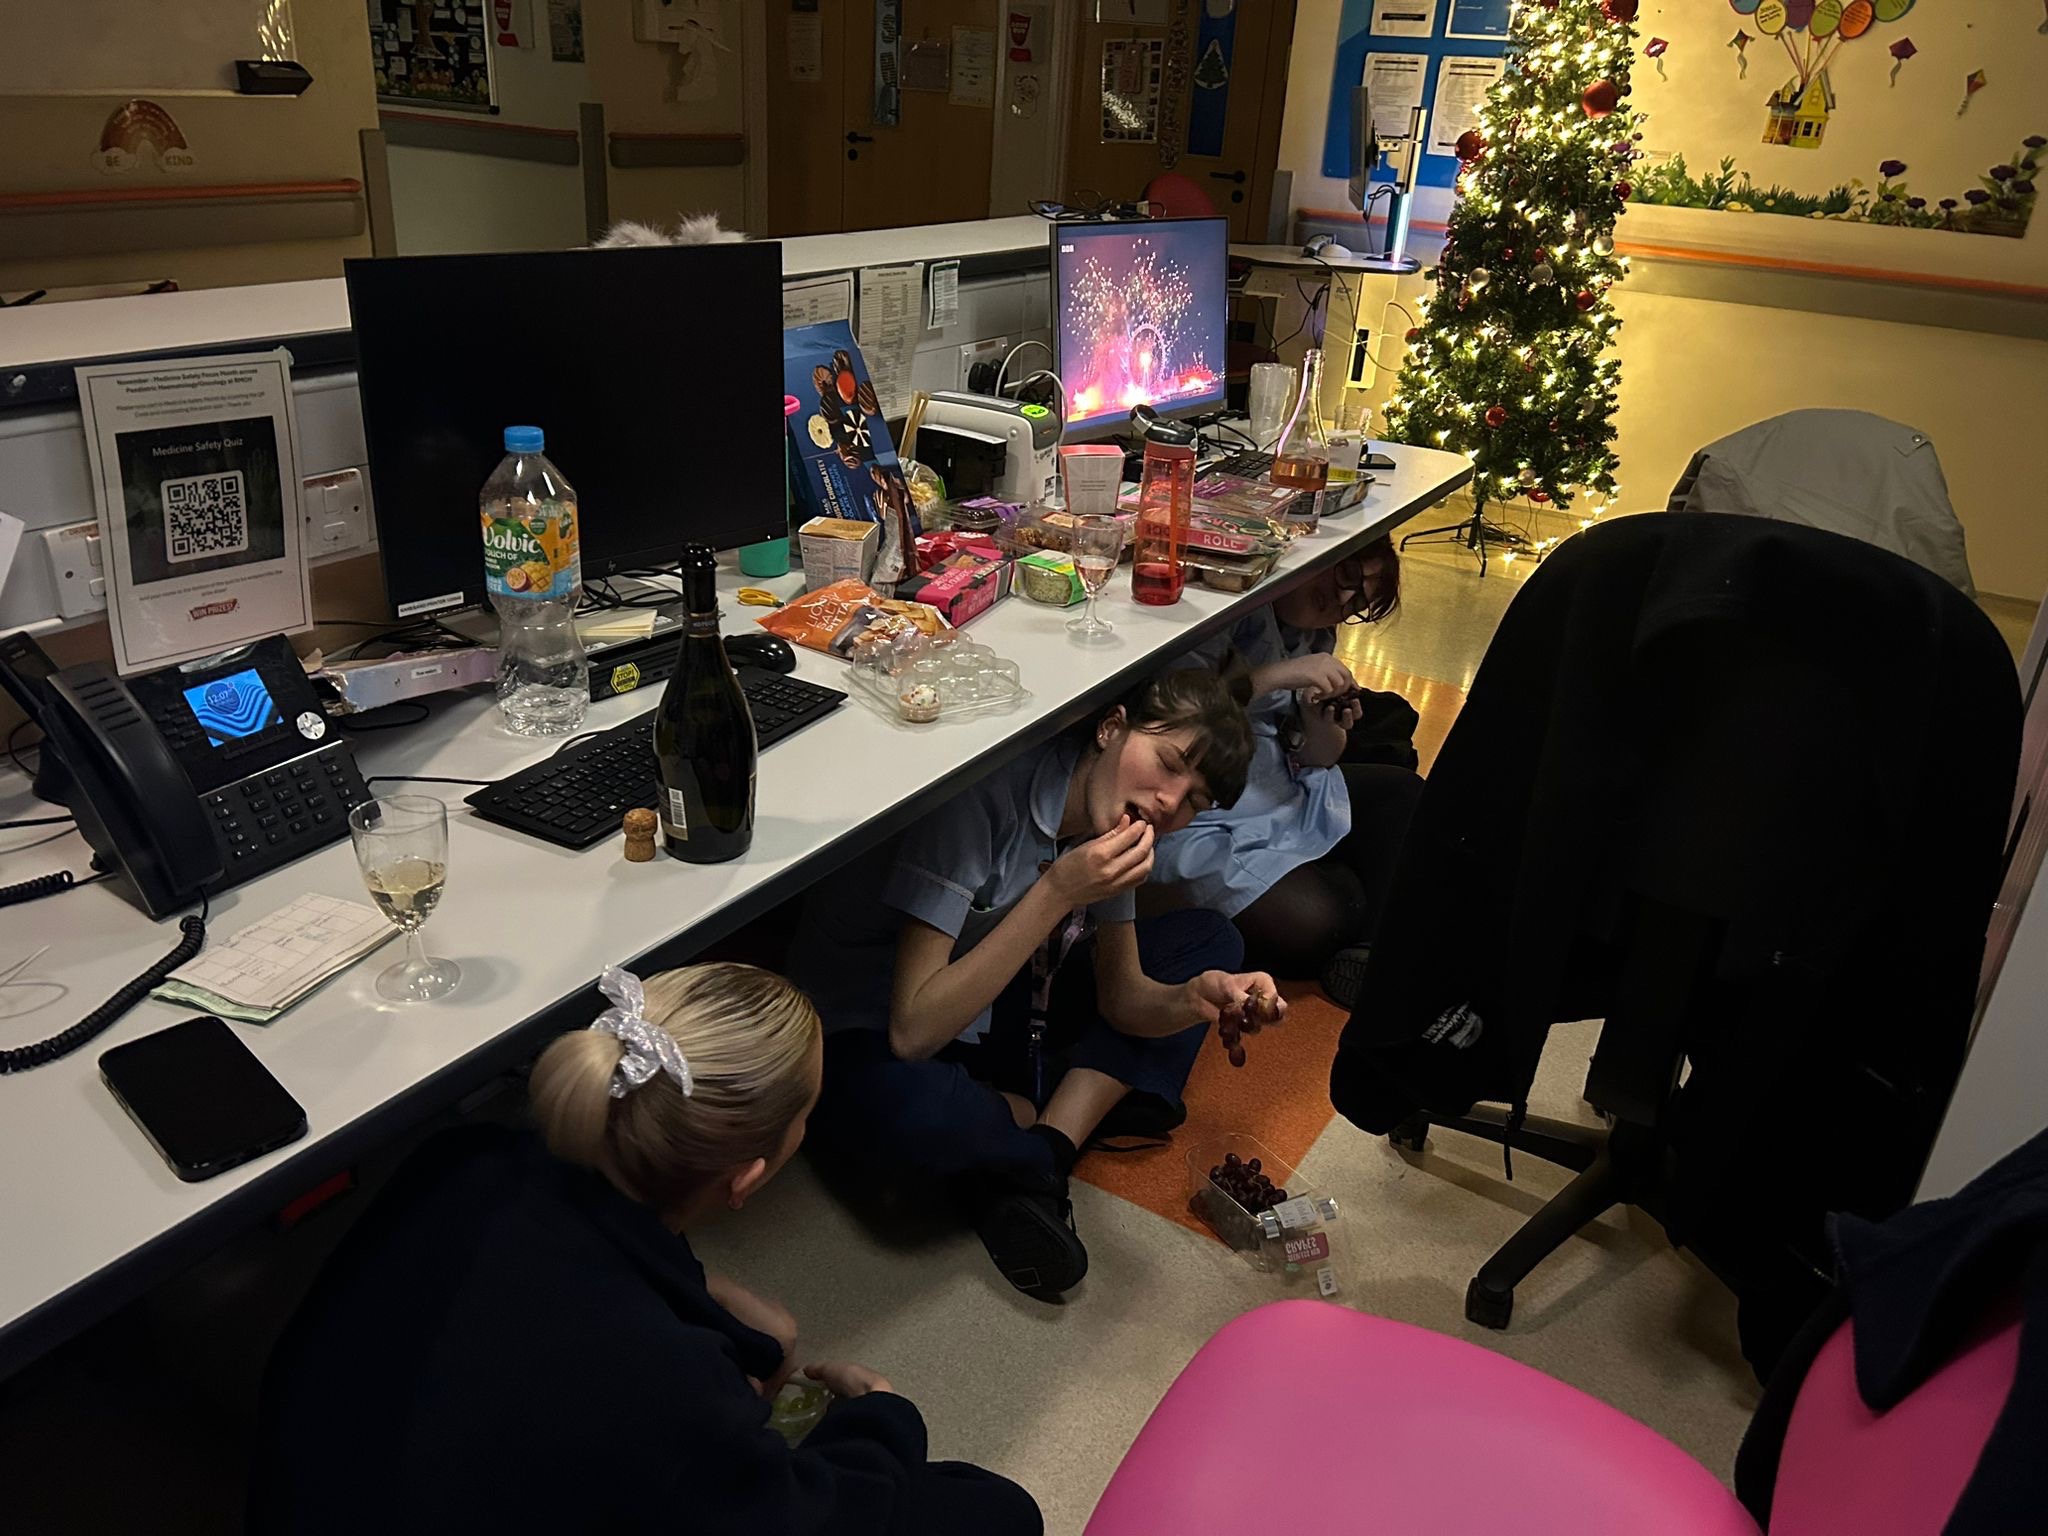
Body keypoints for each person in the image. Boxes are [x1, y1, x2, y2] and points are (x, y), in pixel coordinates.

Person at [250, 963, 1041, 1536]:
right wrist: (881, 1419)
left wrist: (713, 1301)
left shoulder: (465, 1159)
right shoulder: (672, 1390)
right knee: (994, 1512)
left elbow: (597, 1265)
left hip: (307, 1495)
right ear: (748, 1177)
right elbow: (807, 1517)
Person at [792, 669, 1284, 1301]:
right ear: (1111, 727)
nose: (1169, 802)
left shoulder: (1118, 823)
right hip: (874, 1013)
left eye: (1195, 800)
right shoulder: (983, 794)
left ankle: (1044, 1147)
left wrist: (1192, 1000)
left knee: (1213, 942)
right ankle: (1063, 1114)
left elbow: (1122, 997)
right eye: (1167, 764)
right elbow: (912, 1031)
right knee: (914, 1117)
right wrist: (1058, 891)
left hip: (1003, 994)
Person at [1148, 537, 1423, 1005]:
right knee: (1319, 920)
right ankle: (1364, 911)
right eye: (1347, 577)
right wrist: (1280, 676)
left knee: (1403, 793)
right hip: (1202, 806)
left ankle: (1370, 948)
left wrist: (1323, 723)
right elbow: (1173, 715)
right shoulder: (1229, 603)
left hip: (1276, 784)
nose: (1340, 600)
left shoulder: (1315, 636)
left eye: (1356, 604)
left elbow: (1316, 757)